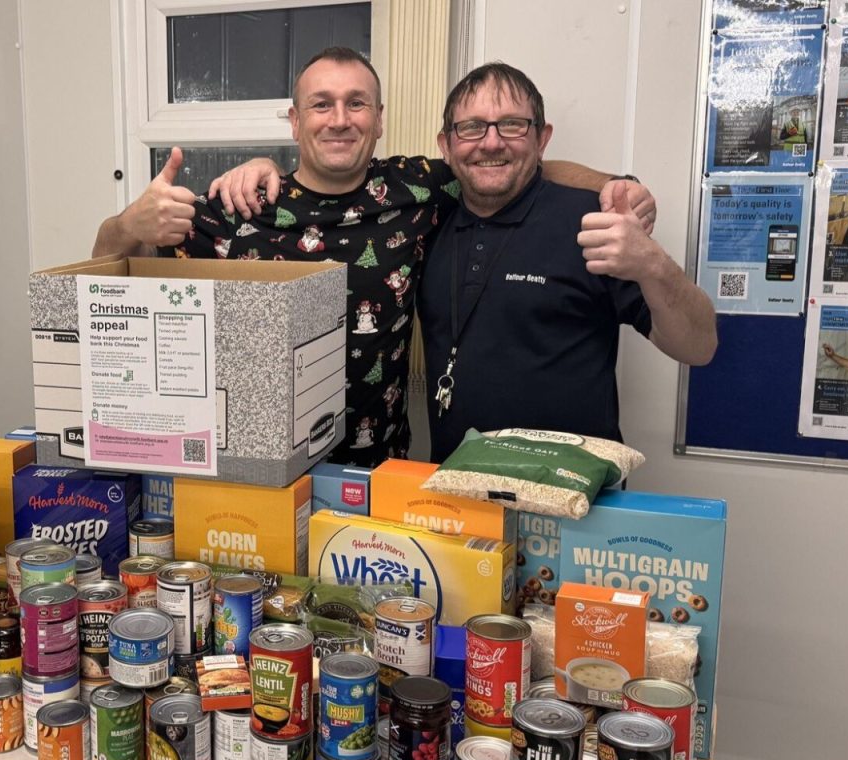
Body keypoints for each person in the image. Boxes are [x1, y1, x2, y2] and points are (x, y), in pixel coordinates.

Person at [93, 47, 655, 466]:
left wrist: (618, 184)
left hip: (378, 470)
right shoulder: (239, 205)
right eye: (321, 105)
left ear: (378, 118)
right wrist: (123, 226)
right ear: (295, 121)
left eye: (356, 103)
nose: (340, 119)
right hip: (254, 463)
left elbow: (511, 165)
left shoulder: (417, 188)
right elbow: (98, 294)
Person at [416, 63, 716, 459]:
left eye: (512, 125)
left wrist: (653, 264)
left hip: (577, 501)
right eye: (472, 127)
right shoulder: (425, 221)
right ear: (446, 145)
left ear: (542, 139)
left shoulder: (594, 222)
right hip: (460, 497)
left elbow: (700, 346)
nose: (490, 142)